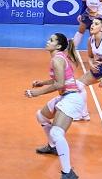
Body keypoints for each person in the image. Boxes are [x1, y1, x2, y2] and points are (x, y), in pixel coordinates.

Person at [25, 33, 81, 179]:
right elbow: (58, 79)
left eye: (51, 40)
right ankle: (53, 147)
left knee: (57, 133)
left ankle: (68, 172)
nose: (47, 41)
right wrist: (42, 82)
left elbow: (60, 84)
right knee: (41, 116)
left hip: (72, 98)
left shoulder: (57, 60)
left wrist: (37, 92)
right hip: (65, 96)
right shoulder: (59, 57)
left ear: (58, 46)